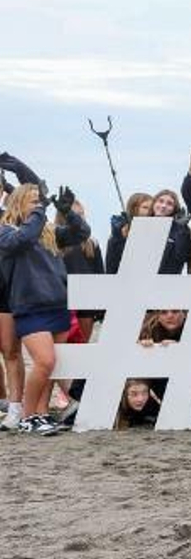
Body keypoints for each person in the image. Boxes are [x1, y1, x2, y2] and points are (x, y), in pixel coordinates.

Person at [0, 183, 91, 435]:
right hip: (29, 308)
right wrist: (41, 212)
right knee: (44, 361)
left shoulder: (50, 233)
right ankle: (28, 416)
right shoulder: (6, 232)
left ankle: (41, 414)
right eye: (33, 202)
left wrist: (68, 212)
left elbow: (82, 233)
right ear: (17, 203)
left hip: (57, 305)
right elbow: (24, 238)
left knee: (52, 367)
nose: (38, 207)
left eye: (39, 203)